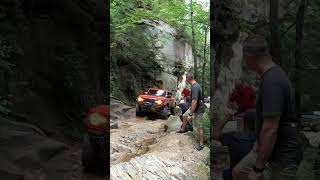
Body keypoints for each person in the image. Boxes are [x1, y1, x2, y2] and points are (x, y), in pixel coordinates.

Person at [232, 35, 303, 180]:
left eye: (243, 57)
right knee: (238, 173)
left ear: (248, 54)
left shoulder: (272, 81)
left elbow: (270, 128)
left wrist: (258, 168)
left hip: (282, 156)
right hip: (269, 149)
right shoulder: (270, 77)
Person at [213, 109, 257, 180]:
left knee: (226, 173)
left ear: (244, 122)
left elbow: (215, 134)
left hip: (236, 174)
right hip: (254, 174)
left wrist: (225, 119)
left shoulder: (234, 136)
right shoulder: (261, 140)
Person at [177, 72, 206, 151]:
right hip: (194, 107)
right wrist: (189, 112)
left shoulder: (195, 87)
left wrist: (190, 114)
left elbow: (194, 101)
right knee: (184, 116)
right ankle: (183, 129)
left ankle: (201, 144)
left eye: (185, 79)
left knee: (199, 126)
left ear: (188, 79)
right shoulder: (194, 86)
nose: (185, 80)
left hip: (199, 109)